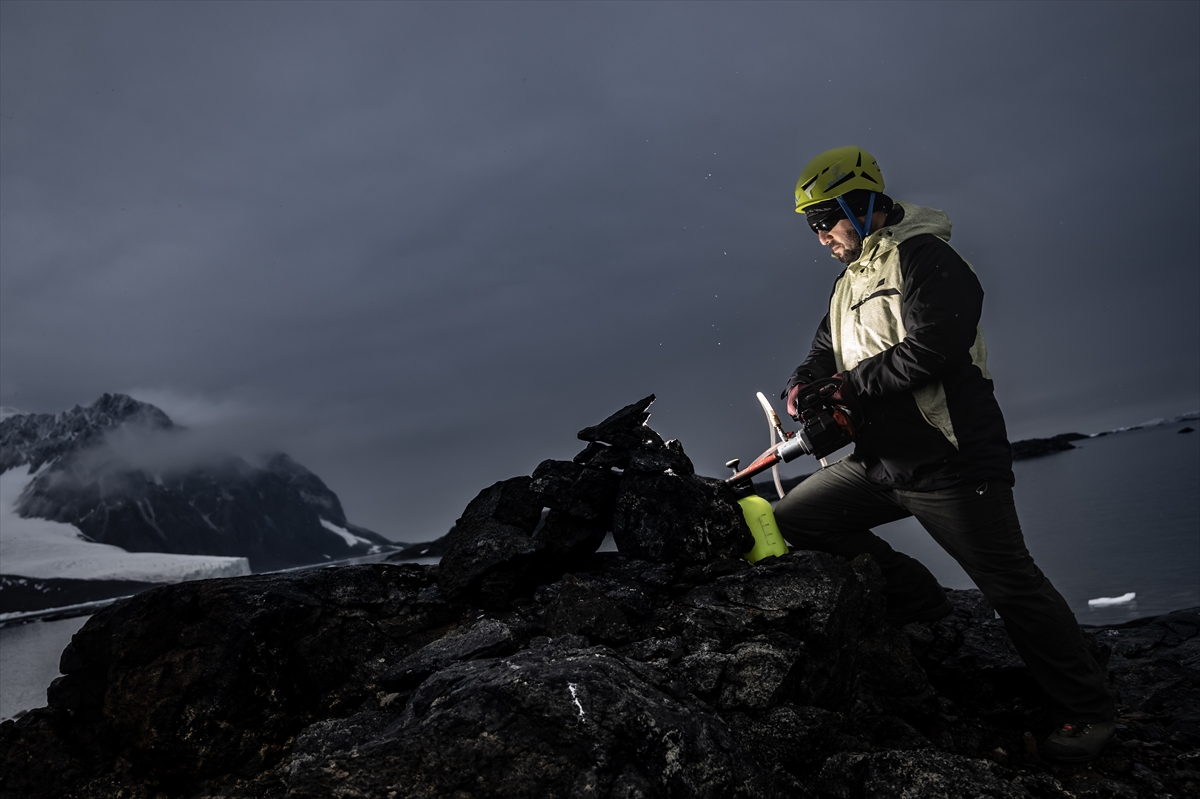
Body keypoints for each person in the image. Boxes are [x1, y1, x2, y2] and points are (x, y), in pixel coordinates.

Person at [774, 145, 1115, 763]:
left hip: (951, 461)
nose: (820, 236)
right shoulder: (847, 283)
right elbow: (824, 351)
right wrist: (803, 383)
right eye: (811, 225)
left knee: (1011, 586)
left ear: (862, 203)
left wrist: (847, 387)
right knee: (798, 517)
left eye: (825, 219)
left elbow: (937, 346)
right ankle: (917, 596)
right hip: (879, 464)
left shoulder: (927, 257)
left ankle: (1087, 714)